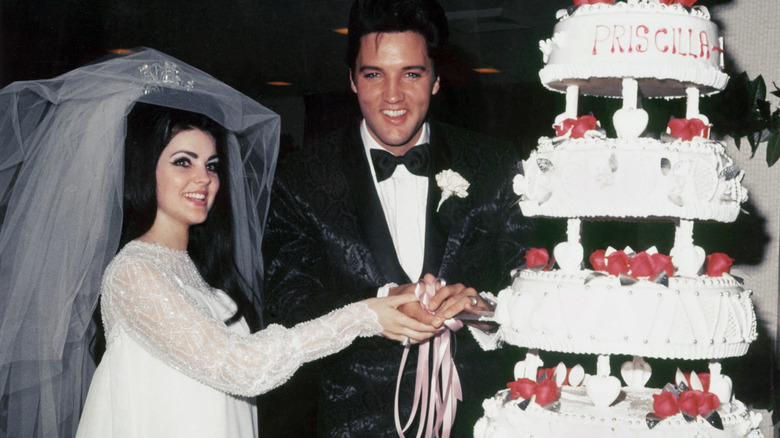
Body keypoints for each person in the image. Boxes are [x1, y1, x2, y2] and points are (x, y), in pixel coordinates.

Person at [0, 48, 444, 438]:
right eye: (182, 162)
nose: (204, 179)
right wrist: (363, 316)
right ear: (142, 170)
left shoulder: (195, 266)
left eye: (211, 165)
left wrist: (386, 299)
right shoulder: (132, 272)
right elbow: (242, 368)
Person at [259, 0, 534, 435]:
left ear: (437, 79)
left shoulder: (494, 164)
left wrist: (483, 308)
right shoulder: (300, 177)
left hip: (476, 421)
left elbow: (531, 277)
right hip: (353, 421)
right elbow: (285, 299)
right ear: (352, 80)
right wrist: (376, 305)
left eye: (411, 73)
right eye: (373, 74)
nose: (392, 96)